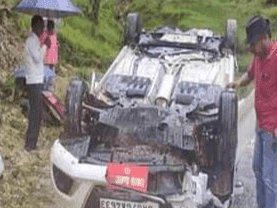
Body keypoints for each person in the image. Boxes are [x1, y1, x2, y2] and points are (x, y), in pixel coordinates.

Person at [227, 15, 277, 207]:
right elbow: (250, 74)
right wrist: (237, 84)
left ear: (264, 38)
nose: (251, 49)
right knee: (257, 169)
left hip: (272, 130)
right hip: (260, 125)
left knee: (270, 178)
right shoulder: (259, 56)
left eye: (254, 44)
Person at [24, 15, 50, 151]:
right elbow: (38, 58)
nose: (42, 30)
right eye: (41, 26)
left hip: (36, 80)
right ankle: (30, 144)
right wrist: (45, 45)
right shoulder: (32, 40)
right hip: (34, 81)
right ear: (34, 26)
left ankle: (31, 141)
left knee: (36, 112)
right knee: (35, 113)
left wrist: (44, 45)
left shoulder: (34, 40)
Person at [39, 19, 59, 92]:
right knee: (45, 81)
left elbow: (55, 48)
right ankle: (42, 96)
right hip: (46, 62)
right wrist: (45, 42)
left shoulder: (54, 35)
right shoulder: (45, 34)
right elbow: (40, 43)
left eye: (52, 25)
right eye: (50, 25)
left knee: (50, 81)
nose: (51, 27)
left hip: (52, 63)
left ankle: (47, 96)